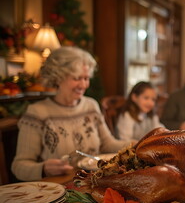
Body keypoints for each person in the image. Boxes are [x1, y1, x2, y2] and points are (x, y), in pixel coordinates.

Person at [12, 46, 130, 181]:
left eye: (86, 78)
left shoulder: (91, 105)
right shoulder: (38, 113)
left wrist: (138, 144)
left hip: (93, 182)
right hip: (58, 188)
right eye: (77, 78)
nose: (84, 84)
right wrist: (44, 168)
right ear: (58, 77)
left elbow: (108, 144)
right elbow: (19, 166)